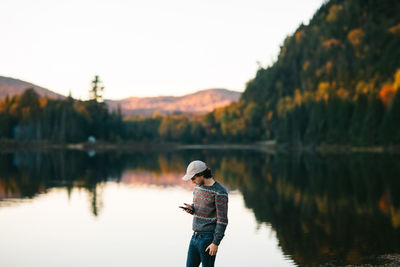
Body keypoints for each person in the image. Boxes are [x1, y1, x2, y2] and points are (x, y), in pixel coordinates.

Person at [181, 160, 228, 267]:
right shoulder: (198, 187)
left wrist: (215, 243)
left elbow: (222, 220)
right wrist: (192, 209)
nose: (192, 181)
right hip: (194, 237)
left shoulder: (220, 192)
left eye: (193, 178)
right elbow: (199, 207)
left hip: (208, 239)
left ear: (202, 174)